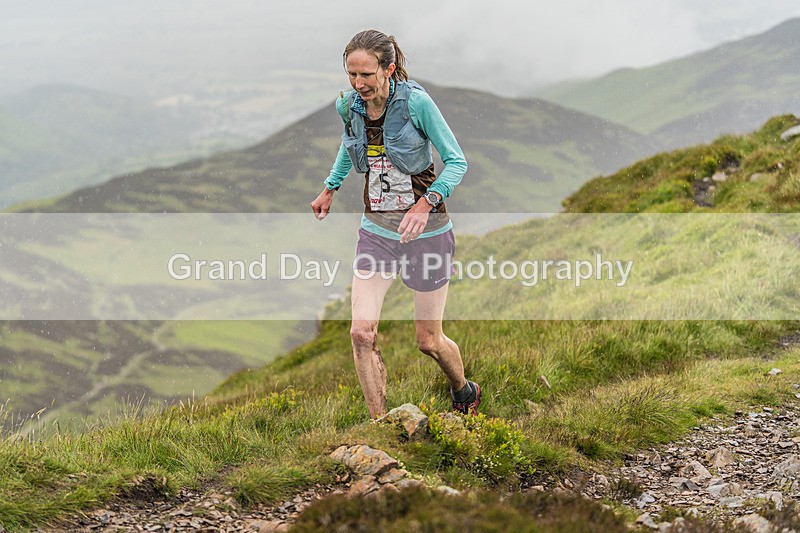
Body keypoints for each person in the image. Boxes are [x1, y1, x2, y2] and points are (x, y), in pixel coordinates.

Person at [310, 29, 480, 419]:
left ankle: (464, 390)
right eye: (352, 75)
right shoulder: (350, 106)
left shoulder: (417, 103)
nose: (358, 84)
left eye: (367, 75)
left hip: (428, 234)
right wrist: (330, 187)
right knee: (360, 333)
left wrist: (426, 203)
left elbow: (457, 161)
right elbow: (348, 142)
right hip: (377, 233)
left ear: (388, 69)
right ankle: (380, 425)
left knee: (429, 341)